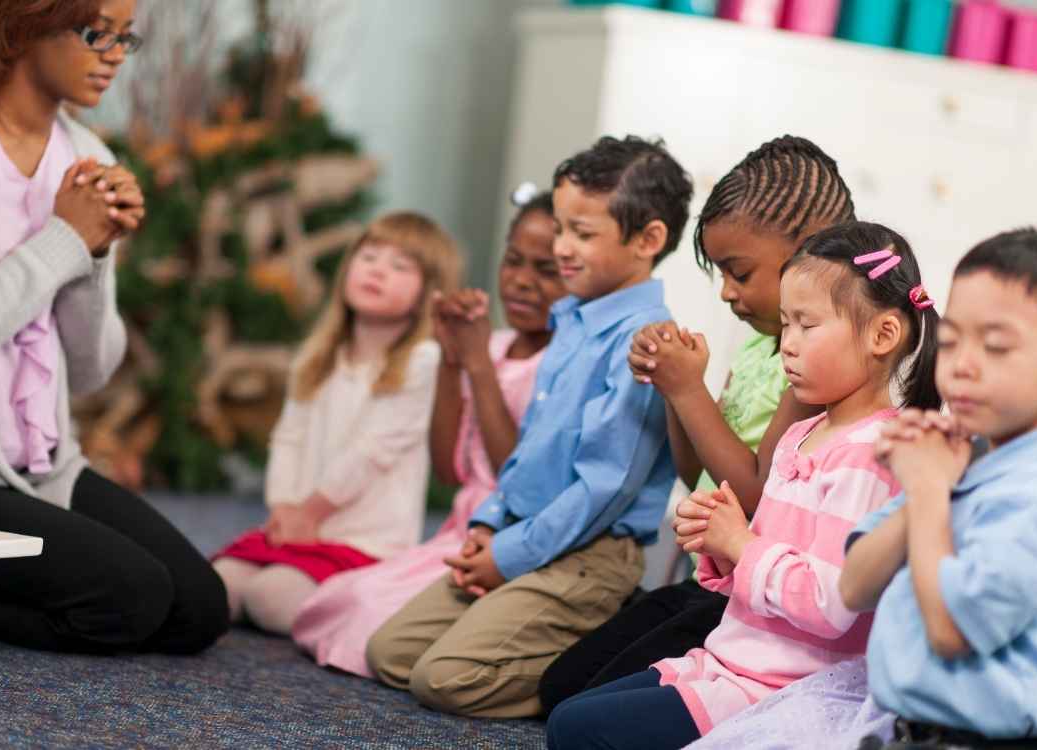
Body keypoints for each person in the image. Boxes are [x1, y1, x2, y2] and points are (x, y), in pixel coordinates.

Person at [547, 221, 941, 749]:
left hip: (782, 689)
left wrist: (741, 543)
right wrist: (719, 542)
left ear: (882, 335)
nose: (789, 348)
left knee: (578, 731)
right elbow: (763, 580)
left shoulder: (874, 455)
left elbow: (830, 605)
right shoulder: (801, 434)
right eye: (785, 326)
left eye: (807, 325)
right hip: (731, 660)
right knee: (572, 712)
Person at [0, 0, 230, 655]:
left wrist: (96, 251)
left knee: (197, 609)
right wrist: (66, 239)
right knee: (130, 597)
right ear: (23, 21)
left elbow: (89, 371)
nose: (114, 53)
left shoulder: (88, 153)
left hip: (42, 466)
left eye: (125, 37)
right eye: (96, 33)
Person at [365, 135, 692, 718]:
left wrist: (509, 556)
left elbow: (602, 492)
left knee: (443, 679)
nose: (563, 249)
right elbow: (528, 453)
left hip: (589, 551)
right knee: (390, 653)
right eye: (562, 228)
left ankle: (600, 656)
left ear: (648, 241)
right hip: (525, 530)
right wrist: (492, 524)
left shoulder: (646, 342)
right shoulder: (571, 319)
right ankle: (547, 623)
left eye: (582, 235)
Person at [540, 135, 853, 712]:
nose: (728, 293)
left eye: (739, 272)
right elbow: (699, 478)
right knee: (564, 685)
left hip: (759, 603)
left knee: (580, 704)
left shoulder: (813, 364)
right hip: (708, 581)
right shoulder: (763, 344)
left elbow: (755, 492)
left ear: (808, 252)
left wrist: (688, 389)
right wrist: (675, 387)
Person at [841, 226, 1037, 749]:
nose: (961, 365)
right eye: (951, 341)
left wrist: (925, 490)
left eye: (994, 346)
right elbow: (855, 586)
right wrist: (930, 482)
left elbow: (950, 631)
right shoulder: (963, 459)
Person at [289, 190, 565, 674]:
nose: (521, 282)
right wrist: (450, 358)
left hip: (507, 541)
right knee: (340, 599)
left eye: (545, 271)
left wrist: (476, 364)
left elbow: (515, 479)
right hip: (456, 533)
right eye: (513, 261)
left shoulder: (556, 364)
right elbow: (448, 468)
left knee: (370, 619)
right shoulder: (495, 345)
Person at [212, 212, 461, 635]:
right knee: (217, 587)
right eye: (369, 257)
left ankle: (368, 608)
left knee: (269, 600)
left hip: (362, 540)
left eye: (400, 266)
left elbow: (372, 451)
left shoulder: (423, 362)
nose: (378, 270)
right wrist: (284, 509)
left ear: (427, 294)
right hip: (297, 526)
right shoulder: (318, 356)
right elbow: (288, 437)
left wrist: (311, 512)